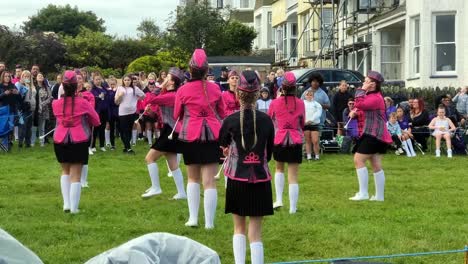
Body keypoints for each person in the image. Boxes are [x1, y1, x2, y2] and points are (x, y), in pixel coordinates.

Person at [219, 70, 274, 264]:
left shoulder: (229, 121)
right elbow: (269, 154)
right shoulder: (267, 121)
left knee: (239, 228)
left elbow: (223, 146)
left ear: (237, 93)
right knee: (256, 233)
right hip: (261, 178)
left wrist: (229, 152)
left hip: (237, 179)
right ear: (258, 93)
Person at [174, 49, 226, 228]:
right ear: (206, 70)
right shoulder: (215, 88)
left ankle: (193, 218)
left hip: (190, 135)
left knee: (193, 178)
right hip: (213, 135)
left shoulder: (183, 90)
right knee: (210, 181)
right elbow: (222, 113)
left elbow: (176, 114)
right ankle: (209, 223)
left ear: (190, 69)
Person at [52, 70, 100, 213]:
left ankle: (66, 204)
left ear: (62, 85)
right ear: (76, 86)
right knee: (76, 175)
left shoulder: (55, 103)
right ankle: (74, 208)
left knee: (65, 171)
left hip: (60, 139)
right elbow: (96, 120)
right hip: (78, 139)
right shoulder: (83, 102)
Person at [141, 67, 187, 200]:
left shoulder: (172, 95)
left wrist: (159, 86)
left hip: (171, 131)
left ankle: (156, 187)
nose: (165, 78)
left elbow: (149, 98)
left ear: (172, 82)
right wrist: (150, 112)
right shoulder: (171, 94)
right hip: (171, 130)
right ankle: (182, 193)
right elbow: (159, 111)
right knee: (173, 163)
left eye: (168, 77)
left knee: (149, 158)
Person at [348, 71, 392, 202]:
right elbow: (363, 108)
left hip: (373, 133)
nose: (363, 83)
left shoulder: (375, 97)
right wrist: (355, 113)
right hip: (377, 133)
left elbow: (360, 104)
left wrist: (362, 90)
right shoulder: (374, 96)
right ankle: (379, 196)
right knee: (376, 164)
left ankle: (363, 193)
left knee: (358, 159)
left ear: (373, 84)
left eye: (366, 81)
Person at [268, 71, 305, 213]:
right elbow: (302, 123)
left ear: (281, 87)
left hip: (280, 139)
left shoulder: (275, 103)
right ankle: (293, 209)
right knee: (293, 176)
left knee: (279, 169)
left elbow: (269, 118)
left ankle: (278, 199)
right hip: (295, 139)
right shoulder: (301, 103)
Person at [115, 75, 145, 154]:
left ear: (131, 81)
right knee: (123, 130)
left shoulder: (135, 88)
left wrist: (137, 98)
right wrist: (120, 96)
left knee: (129, 130)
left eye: (128, 80)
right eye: (125, 80)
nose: (127, 81)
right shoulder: (120, 88)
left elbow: (143, 96)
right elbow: (116, 102)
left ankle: (127, 147)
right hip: (122, 112)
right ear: (123, 81)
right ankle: (127, 147)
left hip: (132, 112)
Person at [15, 70, 36, 148]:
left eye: (28, 76)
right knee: (22, 126)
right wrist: (24, 85)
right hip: (22, 110)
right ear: (22, 77)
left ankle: (28, 143)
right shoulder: (19, 84)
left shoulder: (32, 86)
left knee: (29, 127)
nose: (27, 78)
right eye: (25, 76)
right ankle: (20, 143)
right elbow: (18, 96)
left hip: (31, 109)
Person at [90, 73, 109, 152]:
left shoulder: (104, 88)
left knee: (102, 128)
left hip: (104, 111)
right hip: (97, 111)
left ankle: (102, 145)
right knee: (95, 129)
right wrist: (98, 97)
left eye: (99, 79)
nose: (98, 81)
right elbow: (92, 99)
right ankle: (93, 145)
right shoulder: (93, 90)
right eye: (96, 79)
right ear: (93, 81)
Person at [303, 89, 322, 161]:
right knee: (307, 140)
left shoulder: (317, 104)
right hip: (305, 124)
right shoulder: (302, 103)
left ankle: (317, 155)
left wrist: (312, 120)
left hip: (314, 124)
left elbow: (318, 113)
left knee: (315, 140)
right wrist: (305, 121)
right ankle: (309, 156)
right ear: (305, 95)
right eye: (307, 95)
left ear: (313, 96)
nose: (309, 96)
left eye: (311, 95)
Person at [35, 73, 52, 147]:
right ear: (36, 78)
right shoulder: (34, 87)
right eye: (39, 76)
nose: (40, 77)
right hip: (35, 109)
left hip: (44, 109)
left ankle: (42, 142)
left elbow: (50, 98)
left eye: (41, 76)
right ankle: (32, 142)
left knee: (42, 126)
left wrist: (42, 104)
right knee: (34, 126)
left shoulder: (47, 88)